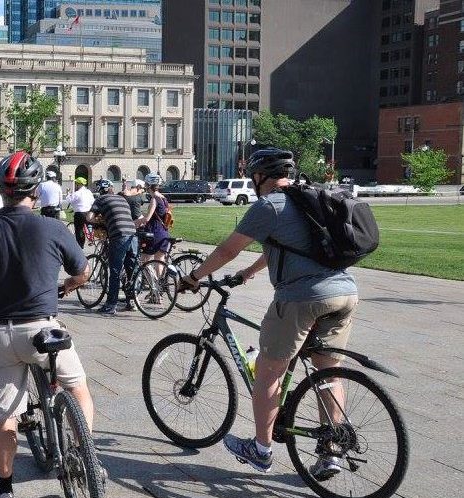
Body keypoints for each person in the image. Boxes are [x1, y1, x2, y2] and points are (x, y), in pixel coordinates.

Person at [179, 148, 359, 480]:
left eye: (253, 177)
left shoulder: (269, 205)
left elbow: (227, 249)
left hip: (302, 297)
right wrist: (248, 272)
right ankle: (331, 450)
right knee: (329, 373)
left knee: (267, 372)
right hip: (344, 292)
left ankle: (261, 451)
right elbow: (287, 245)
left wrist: (195, 276)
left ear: (261, 176)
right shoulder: (309, 199)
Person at [0, 151, 94, 498]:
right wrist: (67, 287)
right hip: (43, 330)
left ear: (0, 189)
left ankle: (4, 488)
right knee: (77, 388)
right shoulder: (53, 227)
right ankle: (84, 458)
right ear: (36, 190)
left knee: (4, 416)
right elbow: (83, 270)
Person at [87, 179, 139, 315]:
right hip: (133, 233)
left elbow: (89, 217)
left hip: (119, 234)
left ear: (99, 190)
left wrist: (100, 220)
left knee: (115, 270)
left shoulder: (100, 199)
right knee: (130, 269)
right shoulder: (121, 199)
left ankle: (110, 305)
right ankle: (132, 301)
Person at [135, 174, 172, 276]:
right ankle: (159, 284)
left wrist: (134, 223)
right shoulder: (163, 198)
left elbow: (147, 219)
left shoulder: (154, 199)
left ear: (148, 185)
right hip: (164, 232)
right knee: (159, 260)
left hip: (154, 233)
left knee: (144, 260)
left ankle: (153, 283)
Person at [63, 177, 95, 248]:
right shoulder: (89, 192)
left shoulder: (77, 193)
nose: (76, 185)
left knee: (79, 229)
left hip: (79, 213)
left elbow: (69, 200)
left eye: (76, 184)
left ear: (79, 184)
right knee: (89, 225)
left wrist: (68, 193)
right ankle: (91, 238)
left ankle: (80, 245)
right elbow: (92, 201)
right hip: (88, 212)